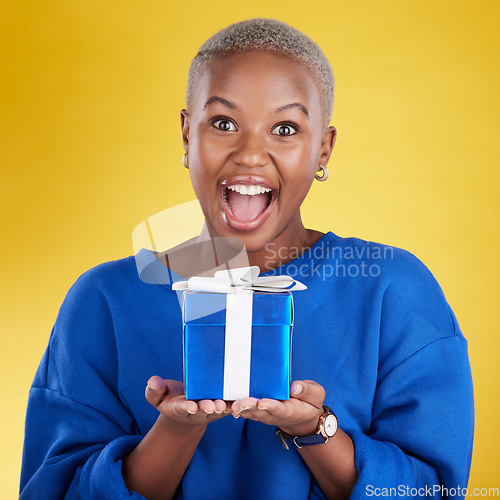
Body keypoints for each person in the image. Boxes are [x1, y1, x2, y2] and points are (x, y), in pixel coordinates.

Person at [20, 18, 474, 500]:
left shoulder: (394, 291)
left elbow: (432, 492)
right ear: (186, 135)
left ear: (323, 149)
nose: (251, 154)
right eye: (223, 123)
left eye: (284, 128)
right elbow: (54, 489)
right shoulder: (103, 303)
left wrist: (316, 431)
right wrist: (175, 431)